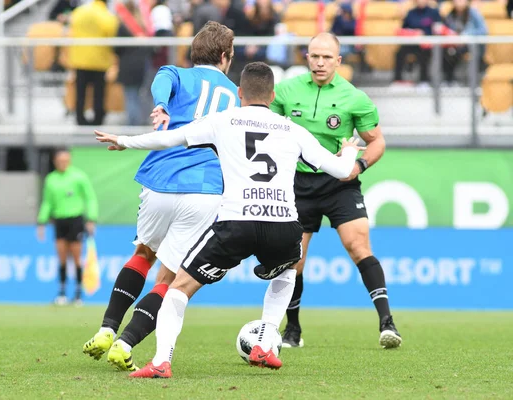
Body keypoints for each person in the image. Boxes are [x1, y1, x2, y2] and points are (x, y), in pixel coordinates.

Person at [94, 61, 365, 378]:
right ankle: (265, 340)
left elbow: (170, 138)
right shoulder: (293, 130)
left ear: (239, 93)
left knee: (179, 287)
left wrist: (126, 141)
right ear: (273, 95)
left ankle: (161, 362)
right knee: (289, 269)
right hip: (282, 225)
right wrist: (348, 150)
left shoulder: (223, 121)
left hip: (236, 222)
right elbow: (344, 171)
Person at [82, 21, 238, 371]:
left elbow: (161, 79)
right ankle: (125, 343)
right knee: (170, 278)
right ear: (226, 56)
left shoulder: (177, 74)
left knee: (143, 253)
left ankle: (108, 327)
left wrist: (163, 106)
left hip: (160, 179)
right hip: (205, 188)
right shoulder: (235, 94)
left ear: (193, 53)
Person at [271, 32, 402, 350]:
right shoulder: (285, 91)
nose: (319, 62)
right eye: (314, 56)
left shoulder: (354, 97)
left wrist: (358, 167)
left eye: (326, 57)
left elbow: (377, 141)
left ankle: (387, 324)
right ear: (306, 57)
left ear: (338, 61)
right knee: (294, 260)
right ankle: (293, 330)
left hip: (339, 184)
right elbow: (267, 131)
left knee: (358, 245)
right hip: (298, 185)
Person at [36, 149, 98, 305]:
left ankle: (78, 293)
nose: (63, 163)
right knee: (61, 257)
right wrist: (41, 221)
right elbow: (47, 202)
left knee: (77, 257)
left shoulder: (79, 176)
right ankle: (62, 293)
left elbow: (90, 198)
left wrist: (91, 218)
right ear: (55, 161)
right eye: (60, 160)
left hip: (75, 220)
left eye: (66, 160)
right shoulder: (51, 179)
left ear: (69, 160)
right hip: (59, 221)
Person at [67, 0, 119, 126]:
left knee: (80, 91)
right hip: (99, 60)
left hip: (80, 59)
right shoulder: (107, 16)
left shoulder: (79, 12)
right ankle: (98, 118)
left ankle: (80, 118)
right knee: (98, 92)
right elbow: (111, 34)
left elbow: (71, 29)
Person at [392, 0, 442, 88]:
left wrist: (425, 36)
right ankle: (398, 80)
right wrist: (414, 33)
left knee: (424, 54)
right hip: (412, 43)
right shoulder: (411, 13)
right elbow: (404, 29)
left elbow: (439, 29)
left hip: (427, 45)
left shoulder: (434, 13)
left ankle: (424, 81)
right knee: (399, 53)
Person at [442, 0, 487, 85]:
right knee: (447, 52)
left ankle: (466, 81)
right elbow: (446, 29)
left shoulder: (473, 13)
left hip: (472, 45)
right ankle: (450, 80)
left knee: (456, 52)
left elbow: (483, 30)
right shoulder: (451, 14)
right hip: (455, 44)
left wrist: (466, 36)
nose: (459, 2)